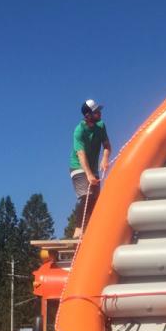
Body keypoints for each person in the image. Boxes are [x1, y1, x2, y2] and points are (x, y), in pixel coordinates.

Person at [69, 98, 111, 238]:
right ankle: (78, 229)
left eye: (99, 110)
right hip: (78, 166)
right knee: (87, 196)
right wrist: (88, 174)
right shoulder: (79, 131)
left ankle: (92, 230)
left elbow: (106, 145)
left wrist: (105, 159)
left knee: (95, 199)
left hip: (93, 169)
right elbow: (80, 154)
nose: (99, 113)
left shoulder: (101, 126)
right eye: (96, 111)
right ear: (87, 115)